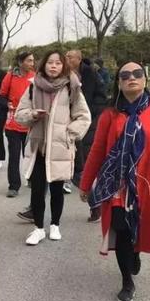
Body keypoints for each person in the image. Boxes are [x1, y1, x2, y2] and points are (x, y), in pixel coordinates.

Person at [78, 62, 150, 301]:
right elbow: (97, 151)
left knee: (139, 227)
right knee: (122, 229)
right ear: (118, 83)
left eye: (137, 74)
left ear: (145, 80)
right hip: (117, 186)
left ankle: (135, 252)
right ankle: (127, 281)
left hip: (147, 184)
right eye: (125, 75)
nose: (131, 78)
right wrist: (85, 184)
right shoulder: (110, 115)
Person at [14, 49, 90, 245]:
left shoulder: (71, 86)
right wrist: (32, 115)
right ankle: (38, 228)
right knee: (37, 190)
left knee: (57, 189)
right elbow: (19, 114)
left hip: (60, 147)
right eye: (50, 62)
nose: (53, 66)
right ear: (43, 65)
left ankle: (55, 225)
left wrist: (69, 134)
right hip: (37, 147)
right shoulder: (33, 86)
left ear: (63, 65)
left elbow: (84, 117)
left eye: (57, 63)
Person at [66, 49, 107, 220]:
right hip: (66, 123)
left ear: (79, 59)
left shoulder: (91, 74)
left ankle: (95, 202)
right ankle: (35, 208)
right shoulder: (63, 75)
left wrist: (90, 114)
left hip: (88, 123)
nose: (67, 59)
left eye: (70, 57)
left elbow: (101, 97)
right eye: (65, 57)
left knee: (79, 169)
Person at [0, 51, 36, 197]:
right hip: (13, 123)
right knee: (14, 156)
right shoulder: (10, 76)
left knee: (30, 155)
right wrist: (7, 104)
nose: (32, 63)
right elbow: (0, 96)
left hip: (31, 123)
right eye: (29, 60)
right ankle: (13, 186)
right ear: (20, 62)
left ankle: (32, 178)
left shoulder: (35, 77)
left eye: (33, 60)